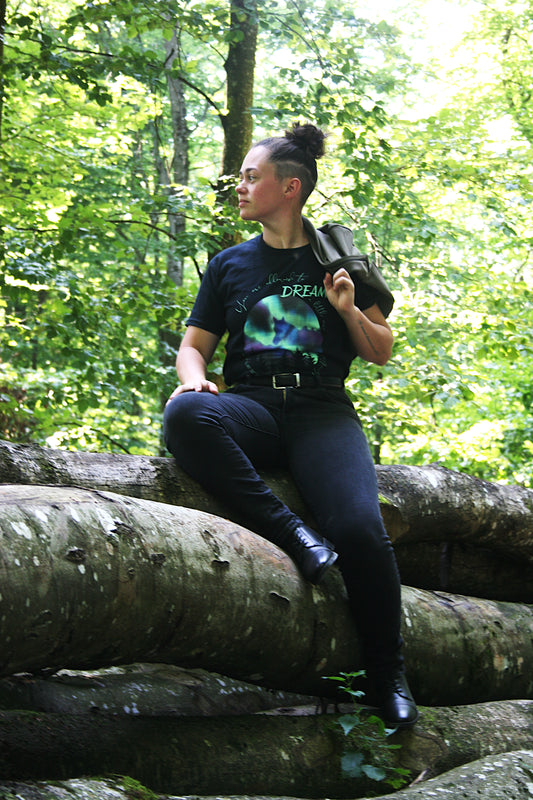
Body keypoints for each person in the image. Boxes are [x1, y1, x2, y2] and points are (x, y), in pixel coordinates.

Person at [163, 122, 418, 728]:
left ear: (291, 187)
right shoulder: (229, 264)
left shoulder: (341, 256)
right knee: (185, 412)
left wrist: (349, 309)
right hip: (250, 408)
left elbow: (380, 350)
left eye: (252, 177)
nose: (241, 187)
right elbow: (192, 347)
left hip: (321, 412)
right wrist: (195, 376)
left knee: (360, 528)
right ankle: (297, 537)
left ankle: (389, 674)